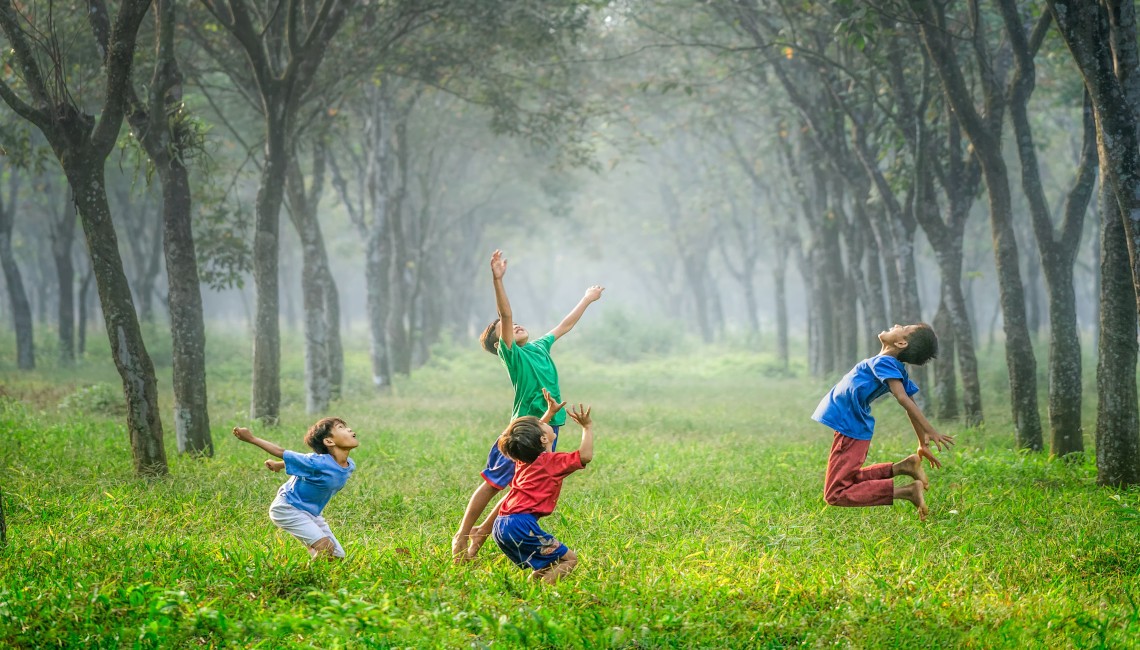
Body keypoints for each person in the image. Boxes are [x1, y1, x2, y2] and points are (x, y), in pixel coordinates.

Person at [451, 249, 603, 561]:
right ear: (500, 341)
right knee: (495, 482)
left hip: (550, 425)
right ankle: (463, 533)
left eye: (518, 324)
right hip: (523, 429)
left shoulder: (540, 346)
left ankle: (483, 532)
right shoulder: (513, 355)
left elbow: (564, 325)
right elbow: (505, 315)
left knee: (522, 484)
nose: (514, 324)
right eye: (505, 328)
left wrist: (587, 299)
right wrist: (498, 280)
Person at [811, 323, 954, 520]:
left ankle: (908, 492)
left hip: (850, 428)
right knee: (848, 479)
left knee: (835, 493)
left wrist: (929, 431)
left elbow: (904, 399)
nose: (897, 324)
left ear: (901, 342)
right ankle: (904, 467)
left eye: (904, 327)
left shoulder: (886, 362)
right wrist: (922, 442)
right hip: (851, 426)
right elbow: (910, 405)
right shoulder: (891, 365)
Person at [493, 402, 594, 583]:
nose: (545, 422)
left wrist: (549, 413)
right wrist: (587, 427)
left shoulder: (524, 460)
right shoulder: (551, 462)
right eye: (542, 424)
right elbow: (585, 456)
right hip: (520, 525)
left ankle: (531, 589)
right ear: (543, 439)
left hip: (501, 524)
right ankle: (542, 595)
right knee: (570, 559)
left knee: (550, 562)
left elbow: (529, 438)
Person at [232, 418, 359, 558]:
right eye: (341, 427)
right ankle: (303, 576)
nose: (349, 429)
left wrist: (278, 465)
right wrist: (251, 438)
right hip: (288, 508)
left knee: (336, 555)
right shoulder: (316, 461)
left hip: (311, 513)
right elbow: (281, 451)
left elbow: (303, 464)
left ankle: (314, 553)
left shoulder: (349, 465)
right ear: (329, 441)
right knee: (325, 548)